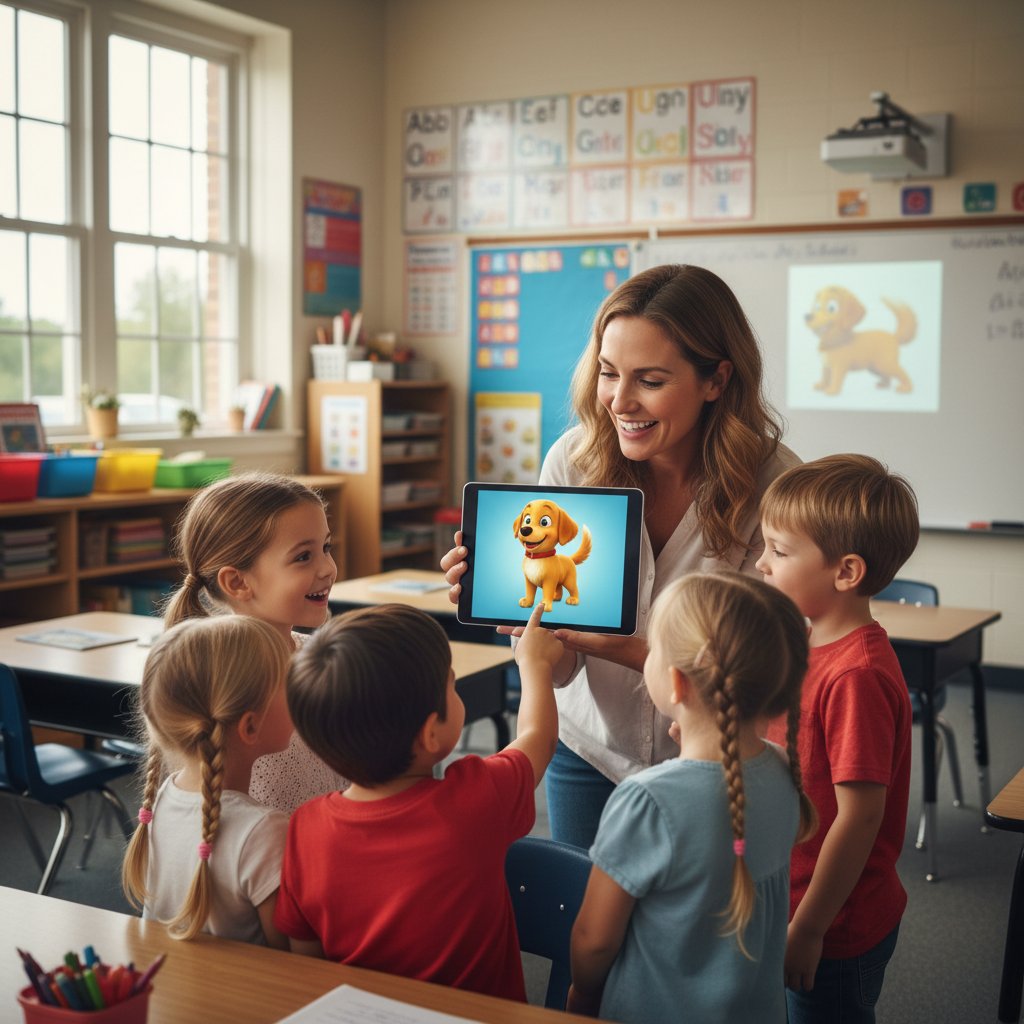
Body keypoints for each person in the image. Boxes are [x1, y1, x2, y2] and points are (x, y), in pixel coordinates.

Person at [442, 263, 800, 847]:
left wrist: (630, 651)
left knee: (687, 932)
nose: (619, 401)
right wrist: (530, 629)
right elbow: (560, 668)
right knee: (590, 930)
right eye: (609, 373)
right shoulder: (573, 462)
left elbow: (762, 673)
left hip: (715, 762)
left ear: (716, 380)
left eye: (651, 381)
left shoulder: (776, 487)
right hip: (589, 754)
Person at [273, 602, 562, 1001]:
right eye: (452, 683)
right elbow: (538, 737)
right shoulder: (476, 798)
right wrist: (536, 665)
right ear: (430, 735)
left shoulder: (304, 827)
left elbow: (308, 960)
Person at [567, 572, 816, 1023]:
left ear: (677, 684)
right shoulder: (783, 770)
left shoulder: (646, 802)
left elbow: (594, 939)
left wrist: (583, 995)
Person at [756, 453, 919, 1024]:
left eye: (779, 551)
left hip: (833, 926)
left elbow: (859, 818)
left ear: (845, 572)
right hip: (790, 899)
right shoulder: (802, 641)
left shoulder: (857, 675)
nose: (761, 562)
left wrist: (809, 928)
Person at [164, 472, 345, 813]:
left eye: (326, 548)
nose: (328, 568)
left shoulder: (323, 659)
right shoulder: (217, 682)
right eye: (303, 557)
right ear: (237, 582)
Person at [121, 616, 294, 946]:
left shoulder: (163, 797)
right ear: (250, 727)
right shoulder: (265, 830)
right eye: (289, 684)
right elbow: (289, 958)